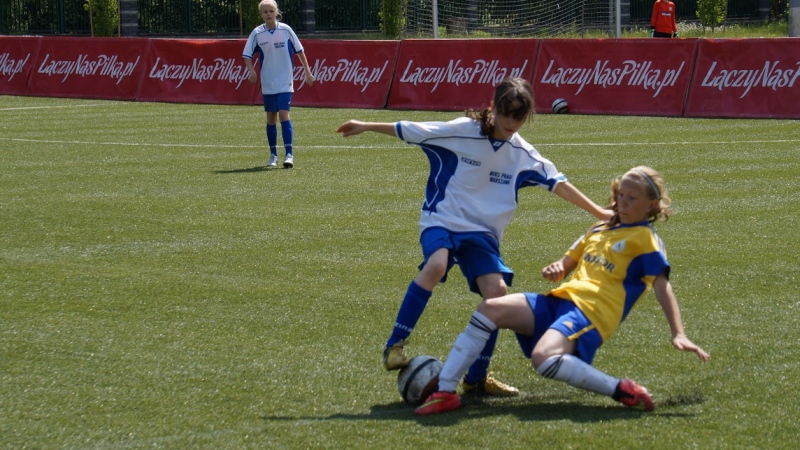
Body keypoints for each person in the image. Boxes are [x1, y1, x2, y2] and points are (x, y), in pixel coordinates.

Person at [336, 77, 611, 397]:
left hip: (482, 233)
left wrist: (599, 213)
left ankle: (477, 379)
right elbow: (414, 129)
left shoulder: (523, 154)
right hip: (443, 219)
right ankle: (394, 346)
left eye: (519, 117)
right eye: (506, 113)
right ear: (493, 107)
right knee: (436, 266)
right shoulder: (463, 130)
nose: (511, 123)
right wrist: (366, 125)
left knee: (497, 293)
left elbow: (559, 184)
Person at [414, 166, 710, 415]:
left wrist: (678, 332)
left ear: (652, 205)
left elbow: (662, 286)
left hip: (590, 313)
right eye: (621, 194)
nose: (623, 202)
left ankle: (622, 389)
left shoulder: (645, 239)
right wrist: (557, 267)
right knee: (490, 308)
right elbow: (567, 262)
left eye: (632, 198)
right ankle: (446, 392)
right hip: (559, 300)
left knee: (543, 359)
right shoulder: (599, 228)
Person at [243, 0, 315, 169]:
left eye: (271, 11)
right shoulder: (257, 33)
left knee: (284, 114)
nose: (268, 14)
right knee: (271, 117)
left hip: (285, 80)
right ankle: (273, 155)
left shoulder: (286, 30)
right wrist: (251, 71)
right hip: (268, 80)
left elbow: (300, 51)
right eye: (265, 12)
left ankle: (289, 154)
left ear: (277, 12)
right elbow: (247, 55)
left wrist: (308, 72)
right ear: (261, 14)